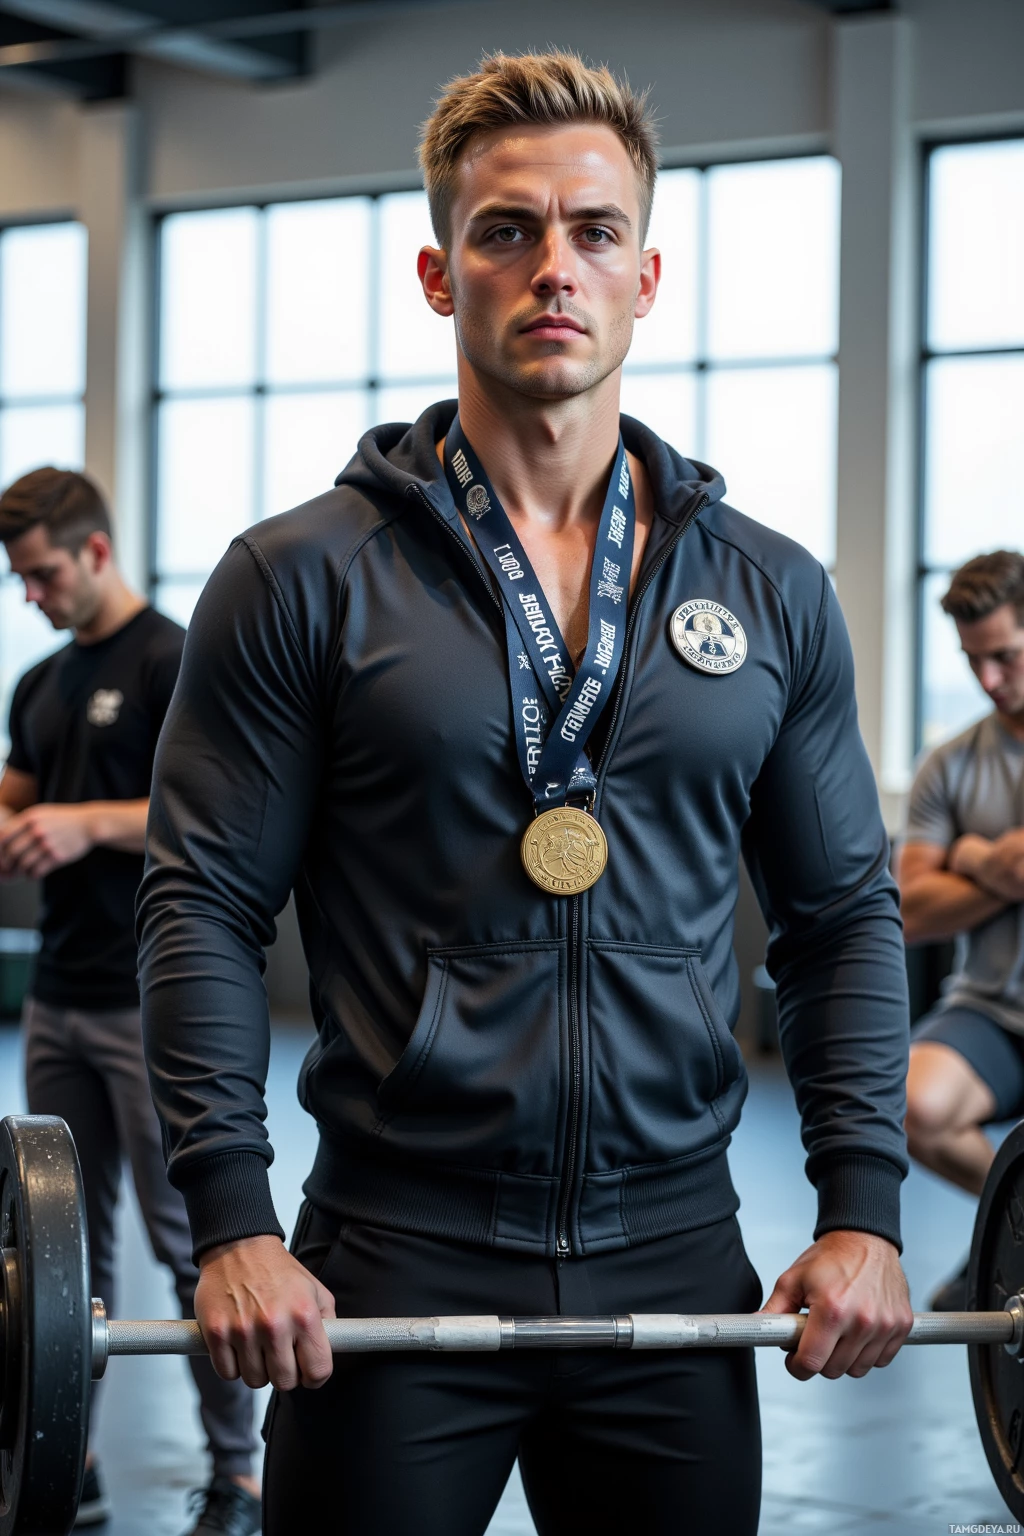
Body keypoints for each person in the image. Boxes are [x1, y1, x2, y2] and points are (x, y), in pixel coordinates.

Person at [138, 51, 913, 1536]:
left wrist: (864, 1209)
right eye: (506, 231)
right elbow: (205, 905)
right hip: (388, 1258)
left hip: (679, 1253)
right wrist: (231, 1223)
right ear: (441, 273)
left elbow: (839, 919)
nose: (552, 266)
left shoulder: (773, 590)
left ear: (647, 272)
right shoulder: (299, 578)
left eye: (592, 230)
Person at [0, 469, 260, 1535]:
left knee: (193, 1244)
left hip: (153, 1004)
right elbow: (23, 790)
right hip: (56, 1000)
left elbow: (220, 805)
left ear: (96, 553)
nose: (33, 595)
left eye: (45, 574)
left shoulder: (173, 660)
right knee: (62, 1259)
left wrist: (81, 823)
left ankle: (238, 1477)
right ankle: (77, 1458)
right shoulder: (42, 682)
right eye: (20, 580)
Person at [901, 551, 1024, 1311]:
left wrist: (968, 856)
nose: (988, 680)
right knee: (907, 1103)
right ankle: (1012, 1228)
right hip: (994, 1011)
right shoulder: (951, 764)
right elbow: (910, 907)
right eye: (973, 661)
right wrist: (1000, 863)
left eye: (1005, 656)